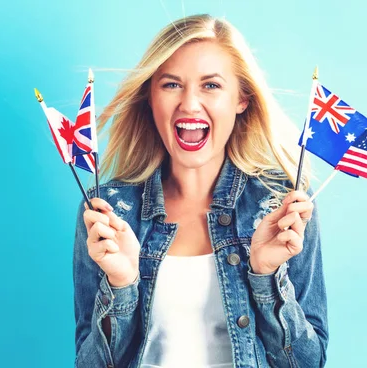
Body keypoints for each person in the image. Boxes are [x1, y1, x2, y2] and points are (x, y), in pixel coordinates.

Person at [73, 14, 328, 368]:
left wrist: (266, 277)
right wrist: (121, 284)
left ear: (242, 98)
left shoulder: (280, 205)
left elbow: (308, 364)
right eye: (171, 84)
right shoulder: (110, 210)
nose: (190, 104)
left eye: (210, 85)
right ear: (150, 97)